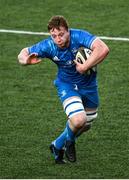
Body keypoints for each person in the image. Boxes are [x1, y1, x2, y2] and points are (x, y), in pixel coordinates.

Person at [18, 15, 109, 164]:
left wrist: (85, 66)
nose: (58, 39)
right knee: (79, 120)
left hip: (89, 85)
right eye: (54, 36)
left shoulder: (79, 36)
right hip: (66, 85)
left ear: (68, 31)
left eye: (61, 34)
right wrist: (25, 61)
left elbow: (103, 48)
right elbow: (23, 53)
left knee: (87, 124)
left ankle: (57, 145)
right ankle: (70, 143)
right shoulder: (49, 46)